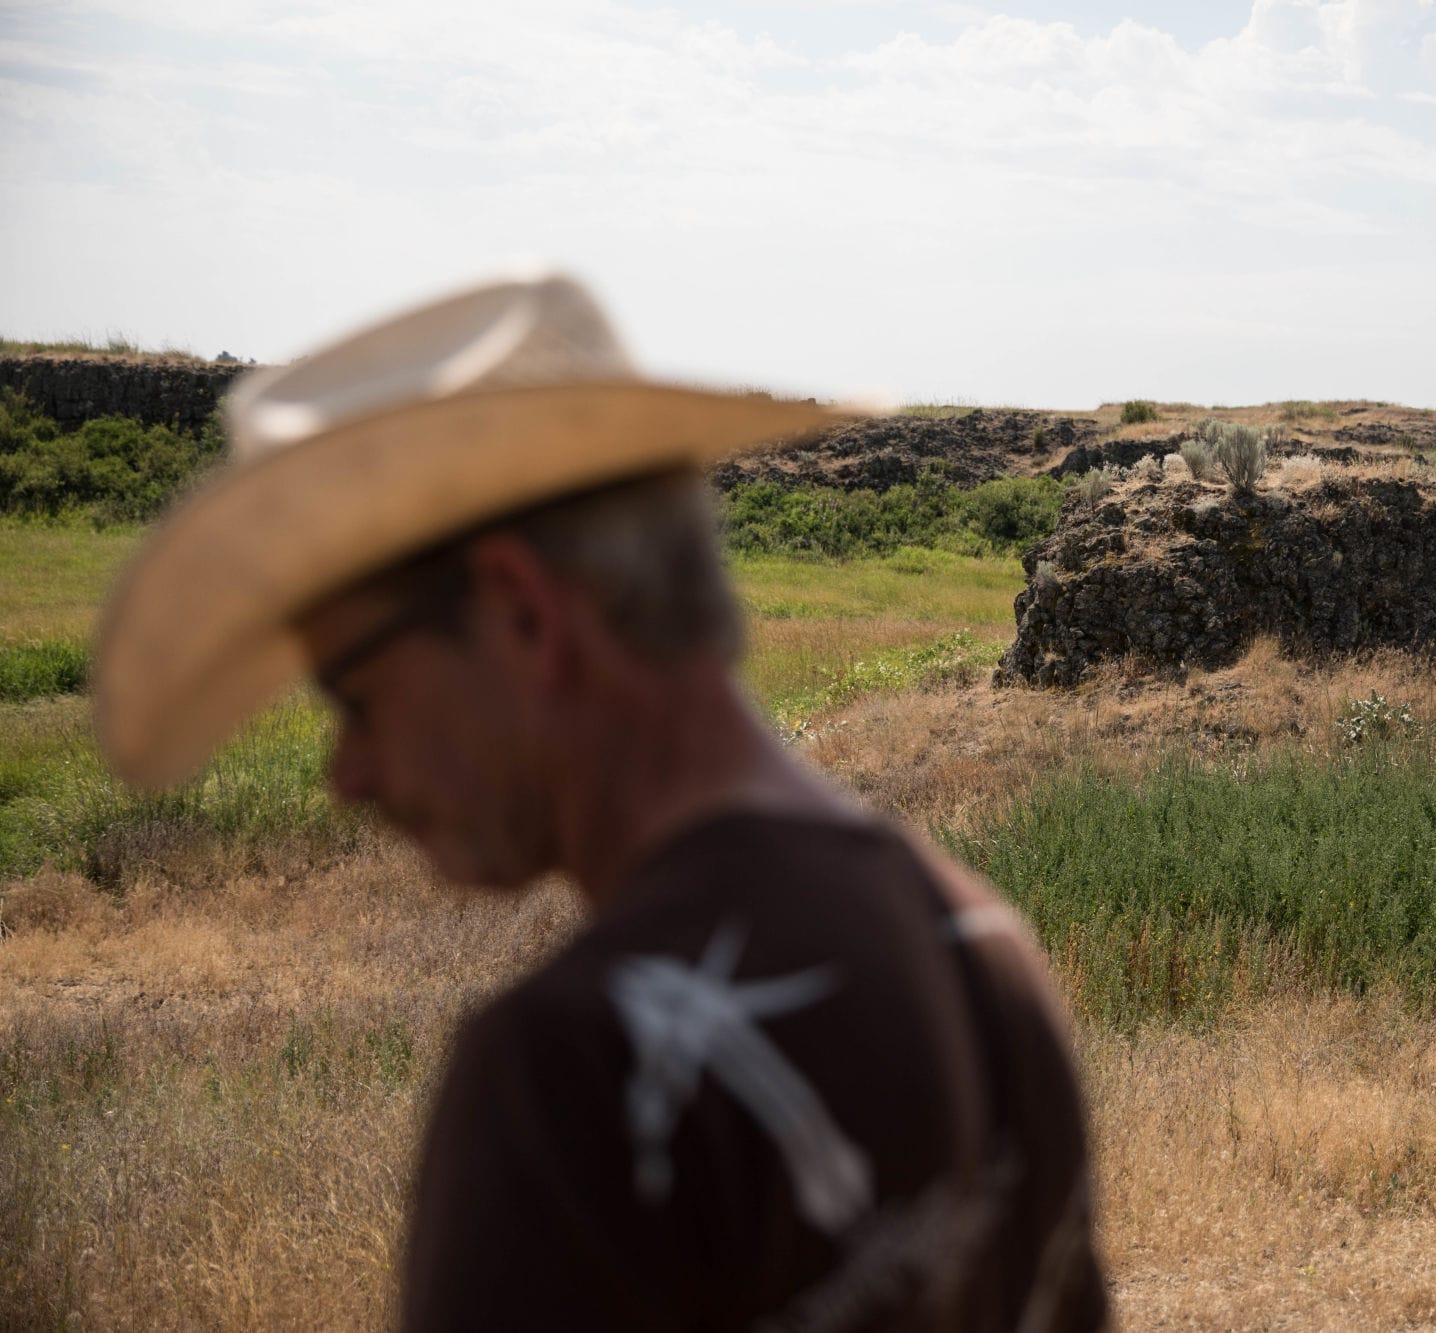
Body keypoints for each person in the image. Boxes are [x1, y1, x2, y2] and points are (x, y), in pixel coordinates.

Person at [94, 272, 1108, 1331]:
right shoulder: (982, 943)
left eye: (355, 697)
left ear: (523, 615)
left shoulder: (574, 1075)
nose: (344, 774)